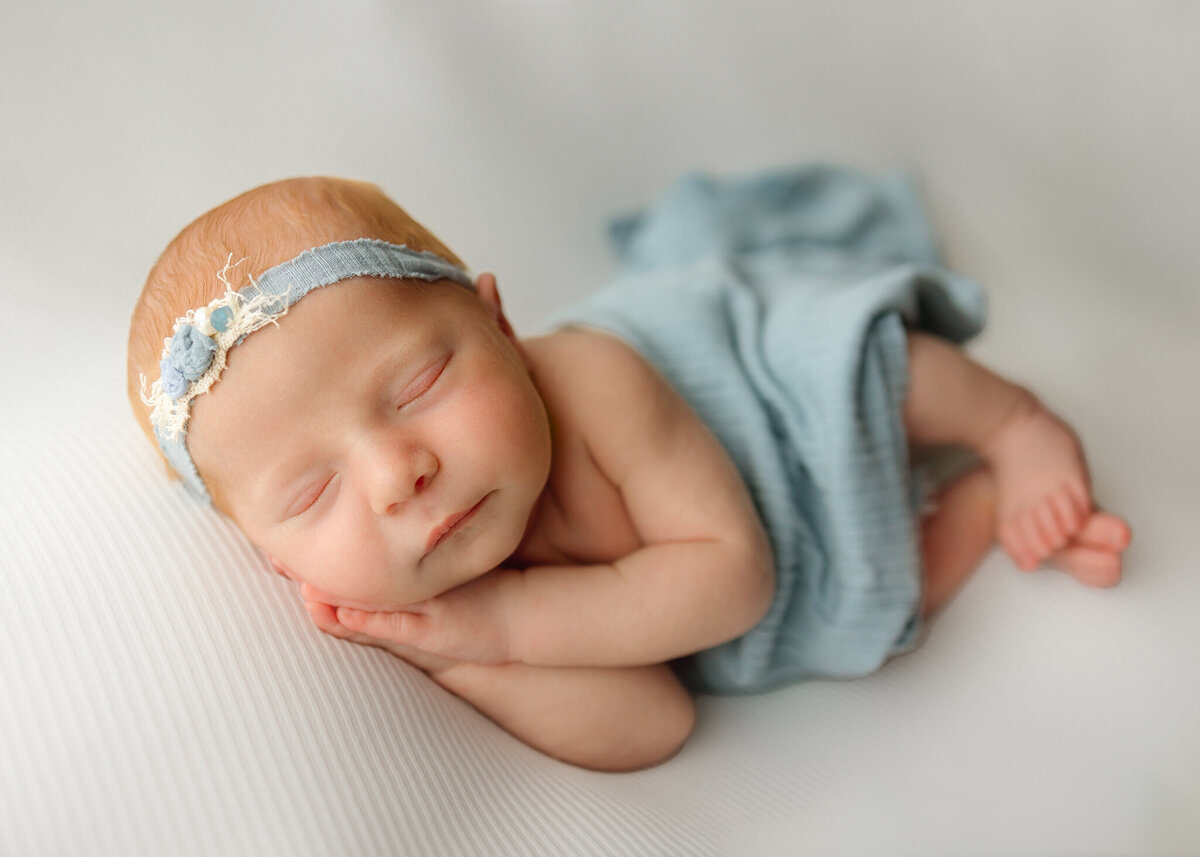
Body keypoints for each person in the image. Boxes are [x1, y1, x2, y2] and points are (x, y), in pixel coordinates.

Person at [126, 167, 1131, 772]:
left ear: (500, 322)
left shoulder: (590, 379)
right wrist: (457, 652)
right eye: (312, 492)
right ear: (269, 558)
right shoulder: (434, 587)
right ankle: (982, 502)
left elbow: (733, 577)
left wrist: (508, 620)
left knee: (884, 370)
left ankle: (1014, 422)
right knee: (889, 602)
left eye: (421, 380)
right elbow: (654, 720)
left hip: (778, 411)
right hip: (785, 592)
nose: (399, 473)